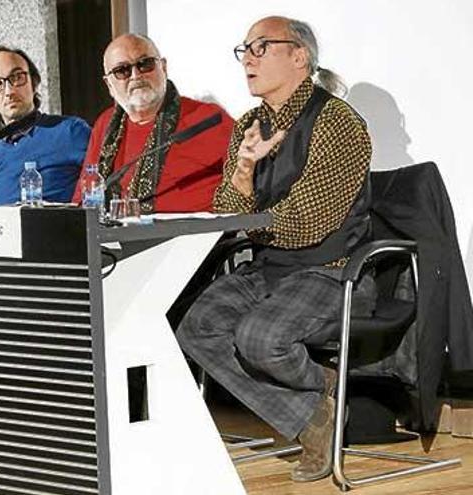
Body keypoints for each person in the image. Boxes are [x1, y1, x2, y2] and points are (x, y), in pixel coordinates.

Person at [175, 16, 373, 482]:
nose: (248, 58)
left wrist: (252, 223)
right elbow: (226, 210)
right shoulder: (249, 124)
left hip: (331, 267)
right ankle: (315, 410)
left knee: (260, 338)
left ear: (300, 56)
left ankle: (317, 404)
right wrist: (244, 170)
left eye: (261, 47)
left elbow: (309, 223)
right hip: (271, 267)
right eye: (243, 49)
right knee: (195, 327)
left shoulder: (338, 122)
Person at [73, 34, 234, 213]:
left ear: (163, 68)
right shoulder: (105, 123)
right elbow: (85, 194)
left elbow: (249, 183)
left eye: (145, 64)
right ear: (109, 85)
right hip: (115, 235)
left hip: (199, 236)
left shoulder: (208, 118)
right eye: (122, 70)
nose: (136, 76)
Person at [0, 46, 90, 205]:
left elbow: (101, 187)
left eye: (16, 77)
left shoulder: (70, 131)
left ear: (34, 82)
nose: (8, 91)